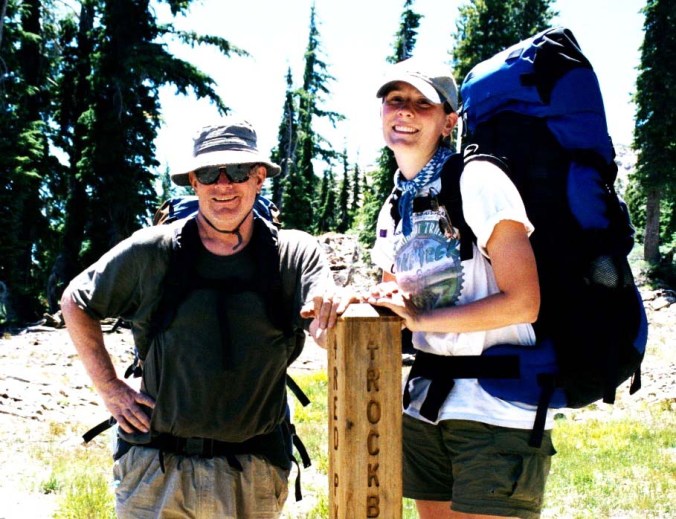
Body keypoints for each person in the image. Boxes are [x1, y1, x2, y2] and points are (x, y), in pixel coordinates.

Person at [61, 117, 351, 518]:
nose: (223, 183)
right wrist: (110, 388)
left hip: (253, 469)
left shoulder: (292, 253)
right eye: (210, 172)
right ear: (193, 182)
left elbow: (323, 317)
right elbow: (76, 301)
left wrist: (331, 310)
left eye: (237, 170)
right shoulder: (153, 251)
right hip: (156, 468)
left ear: (259, 177)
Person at [367, 58, 556, 519]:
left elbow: (524, 302)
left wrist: (423, 320)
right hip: (427, 406)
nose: (405, 112)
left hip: (497, 406)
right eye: (396, 101)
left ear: (449, 121)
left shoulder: (478, 181)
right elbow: (395, 300)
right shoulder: (395, 206)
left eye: (422, 104)